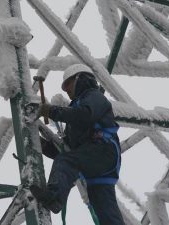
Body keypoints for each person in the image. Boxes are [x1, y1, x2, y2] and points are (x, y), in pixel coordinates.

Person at [30, 64, 125, 225]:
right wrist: (44, 145)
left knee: (67, 160)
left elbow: (85, 116)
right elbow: (66, 150)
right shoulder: (76, 113)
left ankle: (54, 197)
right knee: (106, 214)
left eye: (67, 84)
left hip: (103, 151)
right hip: (97, 166)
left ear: (80, 78)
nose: (66, 90)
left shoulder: (94, 97)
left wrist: (52, 111)